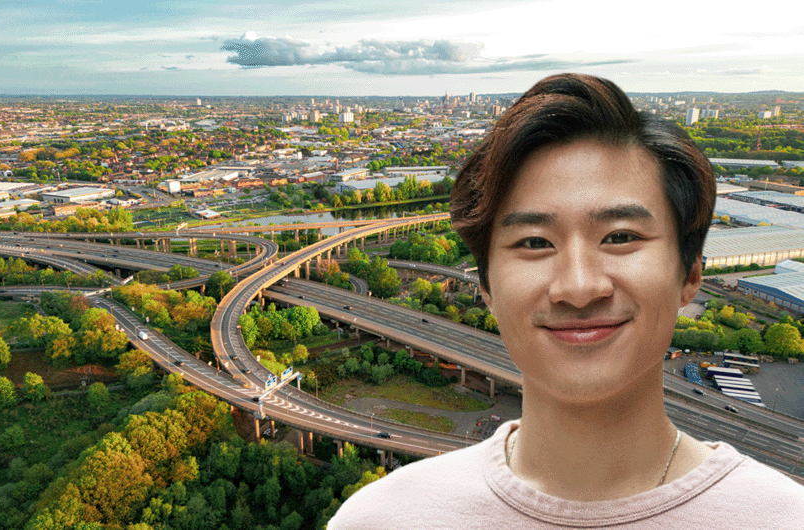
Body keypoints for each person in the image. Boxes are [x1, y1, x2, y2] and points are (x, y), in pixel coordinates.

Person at [328, 73, 804, 529]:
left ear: (690, 271)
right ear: (487, 287)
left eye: (619, 236)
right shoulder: (381, 521)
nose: (578, 287)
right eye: (535, 242)